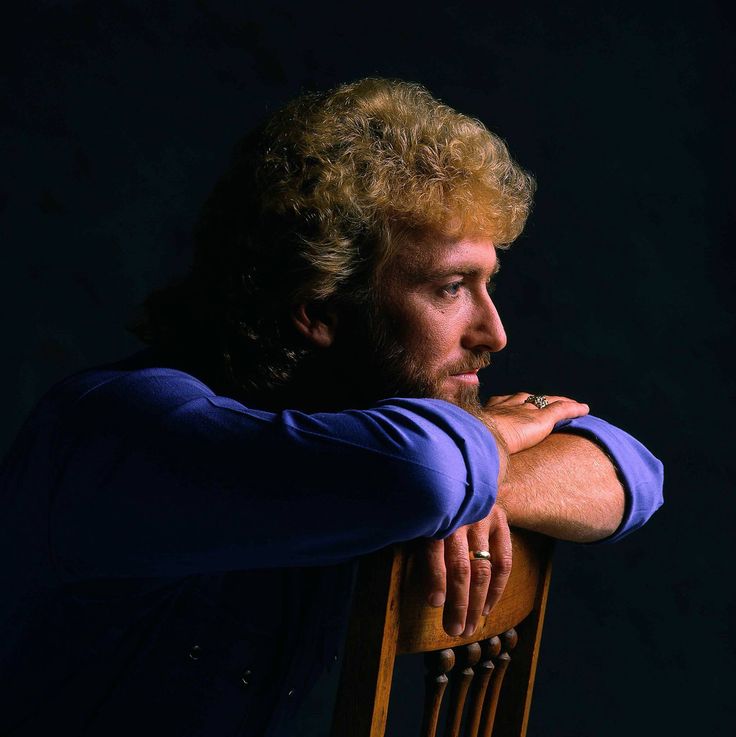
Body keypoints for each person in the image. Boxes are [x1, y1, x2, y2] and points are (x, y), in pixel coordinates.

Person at [0, 79, 663, 736]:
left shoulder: (357, 437)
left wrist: (482, 476)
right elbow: (425, 474)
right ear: (319, 309)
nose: (494, 332)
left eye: (488, 283)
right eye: (451, 287)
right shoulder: (127, 430)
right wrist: (479, 448)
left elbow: (632, 472)